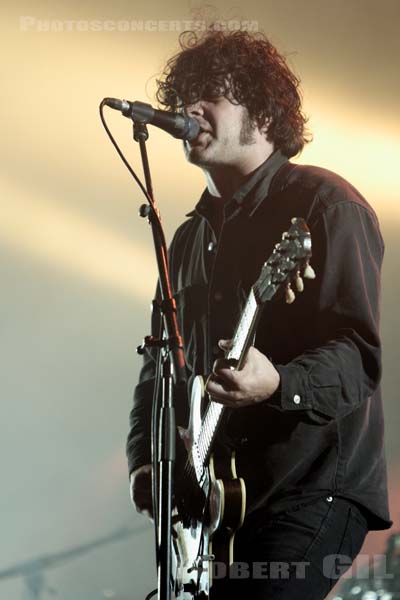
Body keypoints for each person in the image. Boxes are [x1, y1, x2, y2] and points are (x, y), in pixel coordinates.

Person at [126, 29, 392, 598]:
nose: (188, 110)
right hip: (216, 501)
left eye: (211, 95)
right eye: (184, 96)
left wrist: (279, 383)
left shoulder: (325, 205)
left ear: (264, 114)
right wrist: (143, 461)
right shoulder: (188, 240)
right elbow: (159, 368)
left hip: (310, 489)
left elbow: (358, 357)